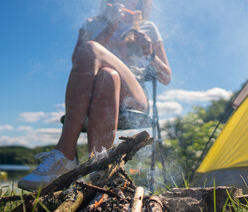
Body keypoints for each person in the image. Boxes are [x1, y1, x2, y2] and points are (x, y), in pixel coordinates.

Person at [18, 0, 171, 191]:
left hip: (132, 95)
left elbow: (166, 76)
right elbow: (78, 61)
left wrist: (150, 54)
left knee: (91, 48)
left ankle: (64, 154)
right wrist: (109, 28)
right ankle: (100, 169)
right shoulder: (92, 23)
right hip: (97, 93)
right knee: (107, 75)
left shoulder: (148, 27)